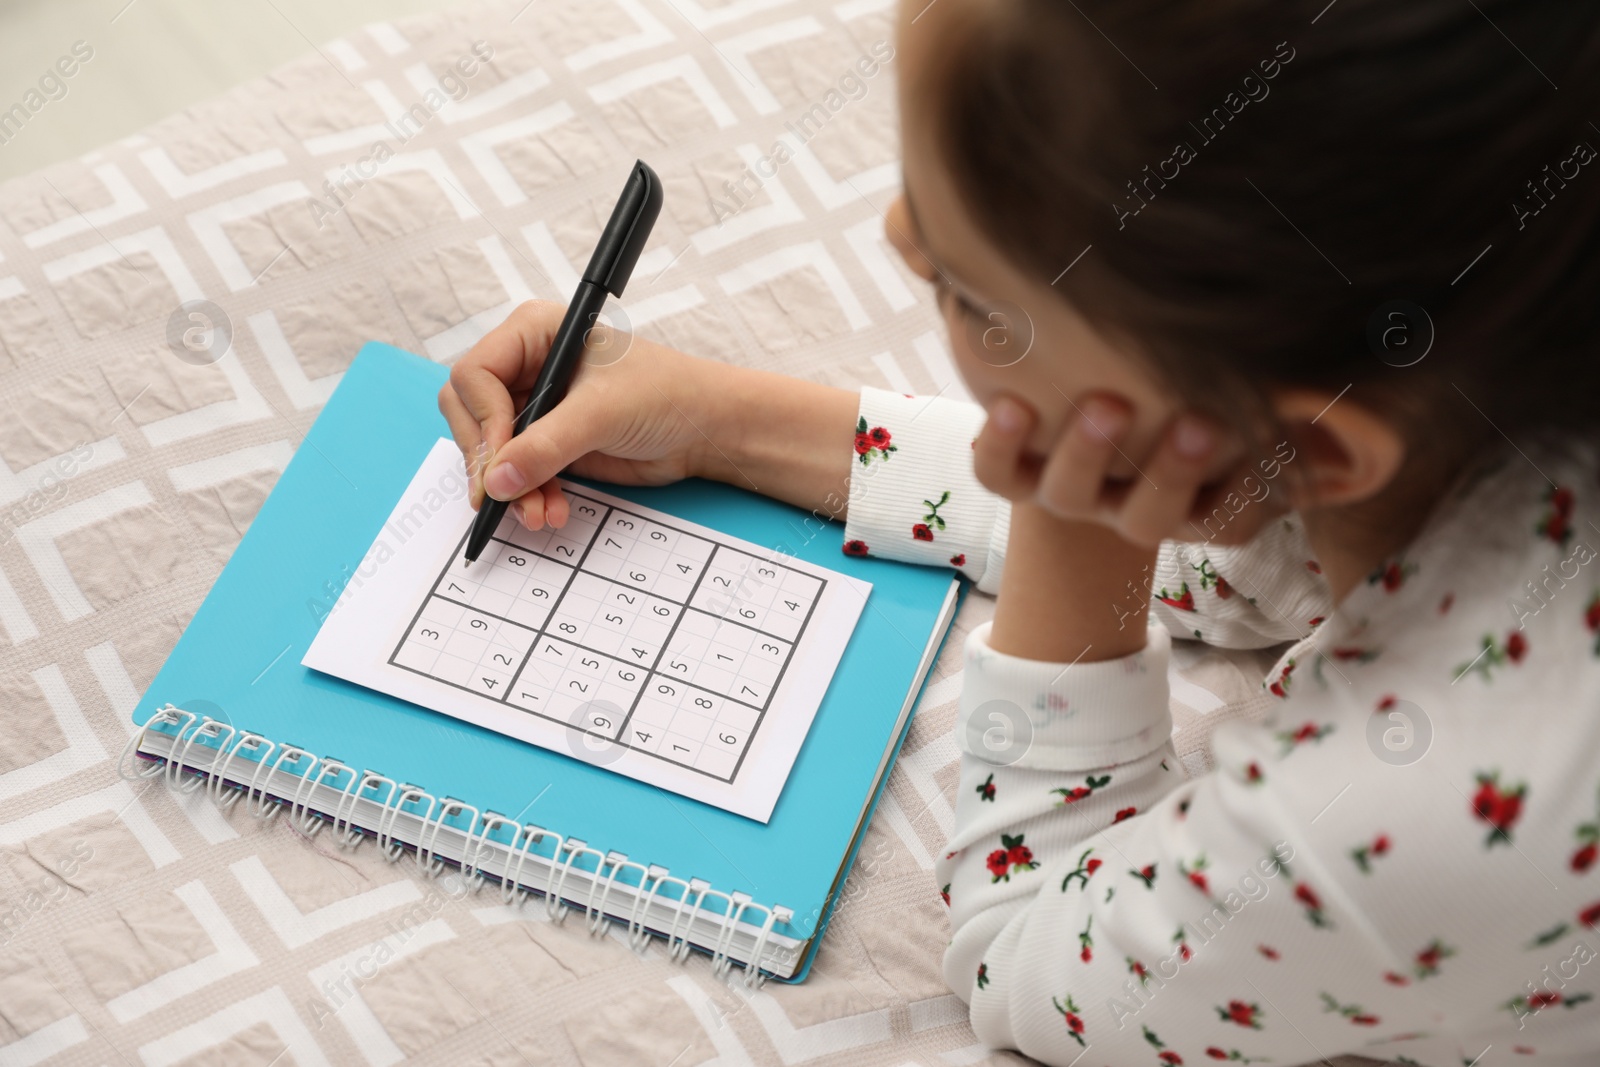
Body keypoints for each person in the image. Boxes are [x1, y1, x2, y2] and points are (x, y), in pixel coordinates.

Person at [440, 0, 1600, 1062]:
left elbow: (1029, 958)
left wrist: (1073, 506)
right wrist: (723, 420)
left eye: (972, 293)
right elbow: (1246, 545)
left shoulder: (1403, 812)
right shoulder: (1494, 359)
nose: (896, 234)